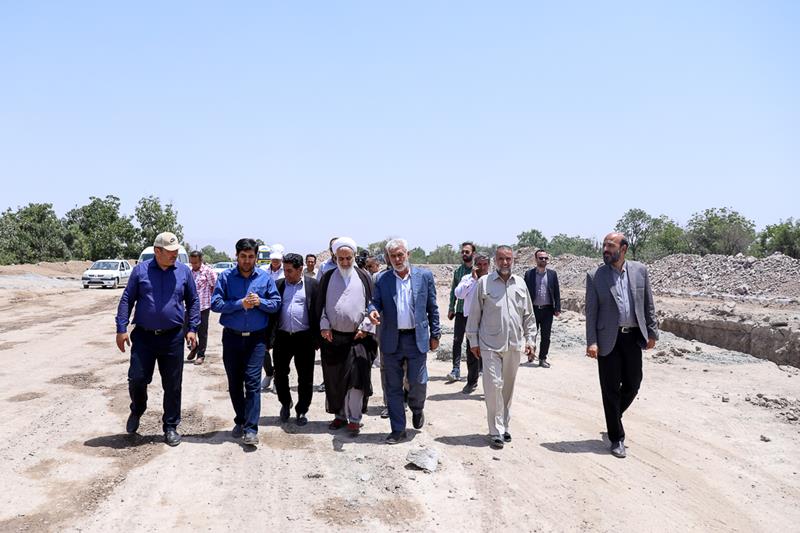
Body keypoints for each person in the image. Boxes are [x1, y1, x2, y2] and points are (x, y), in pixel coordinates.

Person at [115, 232, 199, 447]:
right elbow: (127, 299)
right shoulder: (140, 271)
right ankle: (137, 409)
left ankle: (170, 426)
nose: (174, 255)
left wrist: (192, 328)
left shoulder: (183, 272)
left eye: (176, 251)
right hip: (144, 337)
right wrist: (121, 328)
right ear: (157, 251)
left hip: (173, 337)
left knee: (173, 384)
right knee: (137, 378)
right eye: (170, 252)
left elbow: (193, 301)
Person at [585, 232, 658, 459]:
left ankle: (614, 416)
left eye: (610, 246)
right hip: (608, 339)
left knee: (633, 384)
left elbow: (648, 303)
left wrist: (652, 332)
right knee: (610, 389)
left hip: (632, 337)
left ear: (623, 248)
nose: (605, 250)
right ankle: (617, 438)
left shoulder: (640, 271)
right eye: (604, 245)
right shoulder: (595, 275)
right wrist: (592, 342)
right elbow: (591, 312)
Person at [369, 238, 440, 445]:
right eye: (393, 256)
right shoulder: (382, 280)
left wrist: (435, 334)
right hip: (391, 339)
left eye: (400, 255)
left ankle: (417, 408)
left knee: (418, 381)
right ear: (388, 258)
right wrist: (372, 311)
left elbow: (432, 307)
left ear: (407, 254)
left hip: (416, 339)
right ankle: (398, 429)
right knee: (392, 387)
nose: (397, 259)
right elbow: (375, 302)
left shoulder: (423, 276)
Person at [211, 238, 281, 447]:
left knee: (252, 383)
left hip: (256, 340)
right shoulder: (225, 277)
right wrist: (239, 304)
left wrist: (260, 302)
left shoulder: (264, 278)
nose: (247, 260)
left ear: (256, 257)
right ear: (237, 256)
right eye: (243, 256)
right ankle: (240, 420)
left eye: (251, 256)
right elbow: (216, 304)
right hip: (232, 338)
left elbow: (276, 303)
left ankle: (251, 429)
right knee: (234, 383)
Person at [466, 246, 536, 449]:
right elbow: (474, 314)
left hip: (513, 345)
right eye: (501, 259)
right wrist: (473, 341)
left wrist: (530, 340)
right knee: (493, 386)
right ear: (495, 261)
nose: (505, 263)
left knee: (507, 388)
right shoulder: (484, 283)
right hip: (489, 344)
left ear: (513, 260)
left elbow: (528, 316)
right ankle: (495, 430)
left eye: (508, 259)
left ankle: (504, 425)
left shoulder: (520, 283)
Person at [316, 237, 377, 437]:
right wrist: (324, 326)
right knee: (335, 380)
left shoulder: (364, 276)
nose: (344, 262)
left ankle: (355, 419)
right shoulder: (327, 277)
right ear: (335, 258)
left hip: (358, 338)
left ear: (354, 257)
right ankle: (340, 416)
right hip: (333, 339)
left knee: (356, 380)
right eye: (340, 258)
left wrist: (366, 327)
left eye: (348, 258)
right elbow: (320, 307)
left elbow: (372, 305)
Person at [269, 253, 319, 426]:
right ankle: (285, 403)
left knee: (305, 377)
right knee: (280, 374)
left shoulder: (313, 285)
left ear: (300, 269)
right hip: (282, 337)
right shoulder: (278, 285)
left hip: (304, 338)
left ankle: (302, 410)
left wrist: (318, 338)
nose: (286, 274)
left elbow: (318, 311)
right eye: (285, 270)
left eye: (289, 270)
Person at [453, 254, 490, 394]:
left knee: (489, 353)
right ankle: (471, 382)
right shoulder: (467, 279)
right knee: (472, 352)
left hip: (488, 321)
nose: (482, 267)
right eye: (479, 264)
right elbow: (459, 294)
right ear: (475, 265)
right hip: (471, 320)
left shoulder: (493, 280)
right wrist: (473, 280)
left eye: (485, 264)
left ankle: (490, 385)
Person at [523, 249, 561, 368]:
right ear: (536, 259)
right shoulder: (529, 274)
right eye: (541, 258)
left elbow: (556, 292)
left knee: (546, 336)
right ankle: (530, 354)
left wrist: (557, 308)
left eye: (545, 258)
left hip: (547, 310)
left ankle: (542, 358)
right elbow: (524, 293)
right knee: (531, 334)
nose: (543, 260)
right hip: (533, 310)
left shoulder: (552, 274)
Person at [446, 242, 475, 382]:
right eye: (462, 251)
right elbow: (454, 291)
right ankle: (455, 369)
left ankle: (476, 370)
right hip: (460, 312)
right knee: (457, 340)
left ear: (473, 253)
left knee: (473, 342)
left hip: (474, 313)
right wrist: (451, 307)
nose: (464, 254)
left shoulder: (478, 270)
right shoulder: (458, 272)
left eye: (467, 252)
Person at [187, 250, 218, 365]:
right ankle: (194, 347)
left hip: (203, 306)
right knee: (186, 329)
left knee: (202, 332)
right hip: (189, 306)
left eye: (195, 263)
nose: (193, 265)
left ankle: (201, 355)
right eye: (192, 262)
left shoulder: (208, 272)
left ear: (201, 261)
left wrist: (212, 300)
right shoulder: (189, 272)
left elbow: (215, 286)